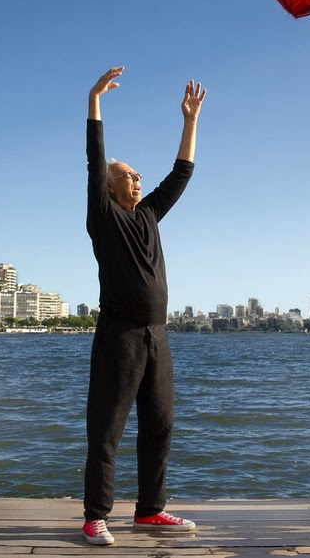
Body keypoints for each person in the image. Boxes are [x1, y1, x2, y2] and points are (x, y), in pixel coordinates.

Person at [82, 65, 206, 546]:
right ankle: (95, 516)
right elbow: (95, 161)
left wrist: (190, 121)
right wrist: (95, 100)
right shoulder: (104, 216)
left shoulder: (150, 214)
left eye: (136, 175)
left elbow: (182, 173)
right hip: (121, 335)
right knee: (107, 428)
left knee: (160, 423)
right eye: (128, 175)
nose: (136, 178)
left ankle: (150, 510)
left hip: (158, 336)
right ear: (112, 187)